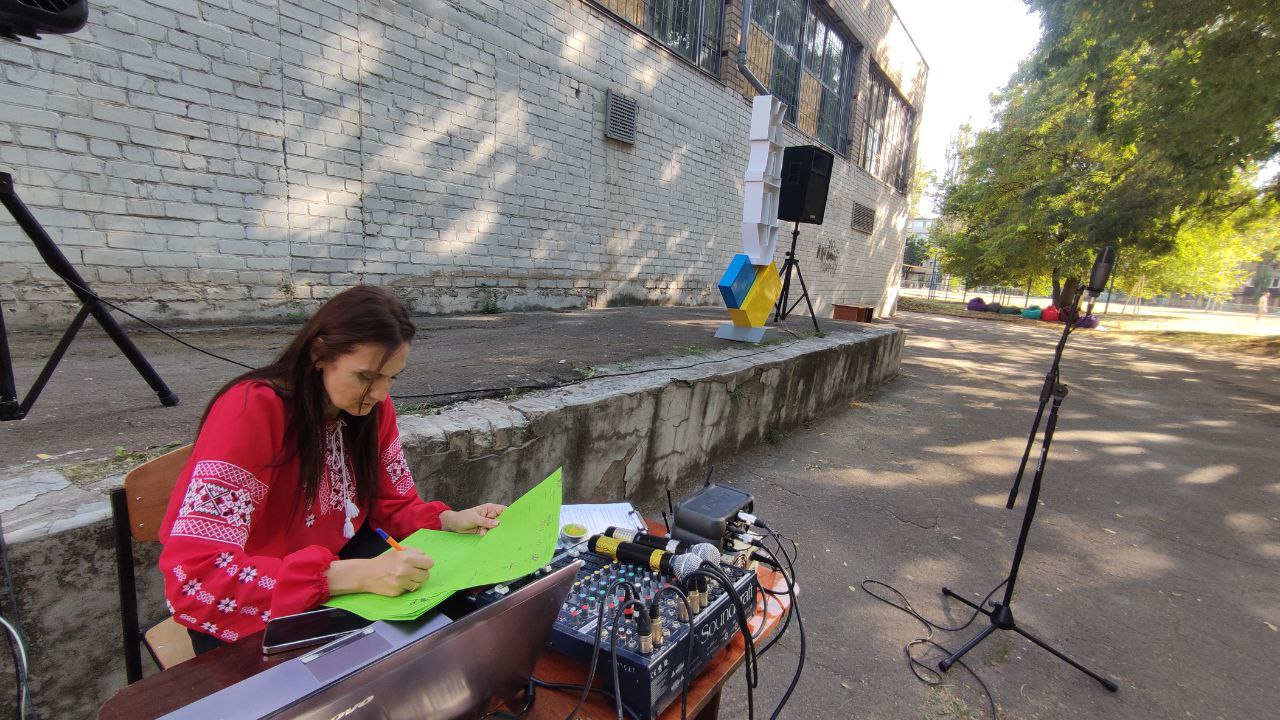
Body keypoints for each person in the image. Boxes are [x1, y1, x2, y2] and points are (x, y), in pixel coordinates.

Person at [158, 285, 505, 653]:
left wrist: (449, 520)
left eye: (392, 378)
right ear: (320, 354)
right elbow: (197, 577)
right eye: (366, 377)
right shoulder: (251, 411)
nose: (380, 393)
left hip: (338, 571)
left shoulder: (372, 410)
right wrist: (355, 575)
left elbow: (393, 503)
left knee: (449, 625)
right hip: (259, 596)